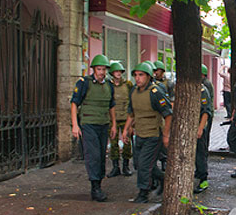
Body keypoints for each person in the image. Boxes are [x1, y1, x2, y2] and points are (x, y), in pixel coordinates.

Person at [124, 62, 173, 203]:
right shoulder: (134, 91)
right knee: (139, 164)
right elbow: (131, 113)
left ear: (148, 76)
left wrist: (165, 135)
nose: (137, 78)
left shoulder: (155, 92)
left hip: (153, 134)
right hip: (139, 133)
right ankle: (162, 179)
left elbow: (168, 114)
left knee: (145, 164)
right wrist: (126, 130)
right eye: (135, 75)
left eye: (141, 75)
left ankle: (143, 192)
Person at [70, 54, 117, 202]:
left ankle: (99, 184)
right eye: (99, 69)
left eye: (104, 69)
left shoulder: (109, 85)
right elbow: (74, 103)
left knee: (102, 155)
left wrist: (114, 124)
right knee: (93, 155)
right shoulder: (84, 83)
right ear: (94, 69)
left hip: (103, 124)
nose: (101, 72)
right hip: (88, 124)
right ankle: (95, 187)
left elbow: (112, 106)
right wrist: (75, 125)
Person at [107, 61, 134, 178]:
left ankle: (126, 166)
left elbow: (133, 101)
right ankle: (115, 167)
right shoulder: (108, 85)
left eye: (120, 71)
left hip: (125, 118)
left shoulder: (128, 85)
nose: (118, 73)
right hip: (112, 119)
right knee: (113, 143)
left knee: (127, 142)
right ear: (112, 73)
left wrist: (132, 123)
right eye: (116, 71)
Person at [194, 81, 213, 193]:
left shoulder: (202, 91)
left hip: (199, 126)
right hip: (189, 127)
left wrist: (200, 128)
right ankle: (198, 173)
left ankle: (203, 180)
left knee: (200, 153)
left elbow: (206, 111)